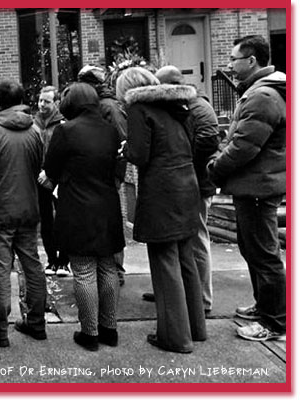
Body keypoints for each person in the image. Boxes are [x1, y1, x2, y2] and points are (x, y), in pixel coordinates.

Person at [117, 67, 206, 353]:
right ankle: (195, 328)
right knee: (185, 258)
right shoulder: (178, 104)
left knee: (164, 262)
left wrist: (125, 149)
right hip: (186, 185)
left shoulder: (139, 108)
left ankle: (175, 337)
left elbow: (140, 154)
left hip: (161, 191)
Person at [208, 35, 286, 342]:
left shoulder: (262, 97)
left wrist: (215, 167)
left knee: (264, 254)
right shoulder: (259, 92)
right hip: (256, 183)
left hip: (258, 185)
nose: (229, 65)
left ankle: (275, 322)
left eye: (233, 59)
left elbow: (243, 145)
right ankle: (264, 306)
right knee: (252, 248)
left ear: (252, 61)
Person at [45, 83, 125, 351]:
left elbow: (51, 169)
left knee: (83, 270)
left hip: (77, 207)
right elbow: (118, 168)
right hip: (108, 205)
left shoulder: (65, 131)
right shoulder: (111, 130)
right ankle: (109, 329)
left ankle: (89, 333)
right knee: (108, 267)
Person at [0, 80, 47, 348]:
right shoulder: (36, 131)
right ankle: (37, 323)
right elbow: (39, 166)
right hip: (28, 209)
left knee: (0, 271)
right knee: (32, 266)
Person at [155, 65, 221, 315]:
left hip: (197, 183)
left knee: (196, 239)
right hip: (184, 183)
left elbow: (208, 141)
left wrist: (180, 157)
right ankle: (180, 291)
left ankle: (202, 299)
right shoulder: (181, 107)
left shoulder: (198, 107)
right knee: (180, 240)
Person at [78, 65, 128, 286]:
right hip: (98, 175)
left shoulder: (108, 107)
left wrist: (115, 176)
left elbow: (122, 142)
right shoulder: (98, 105)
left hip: (108, 176)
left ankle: (116, 269)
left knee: (112, 221)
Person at [32, 86, 68, 277]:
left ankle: (63, 261)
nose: (41, 105)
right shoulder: (34, 123)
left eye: (46, 101)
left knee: (62, 219)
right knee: (46, 220)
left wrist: (52, 174)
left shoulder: (62, 123)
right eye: (40, 100)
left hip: (58, 179)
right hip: (40, 179)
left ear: (56, 103)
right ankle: (51, 260)